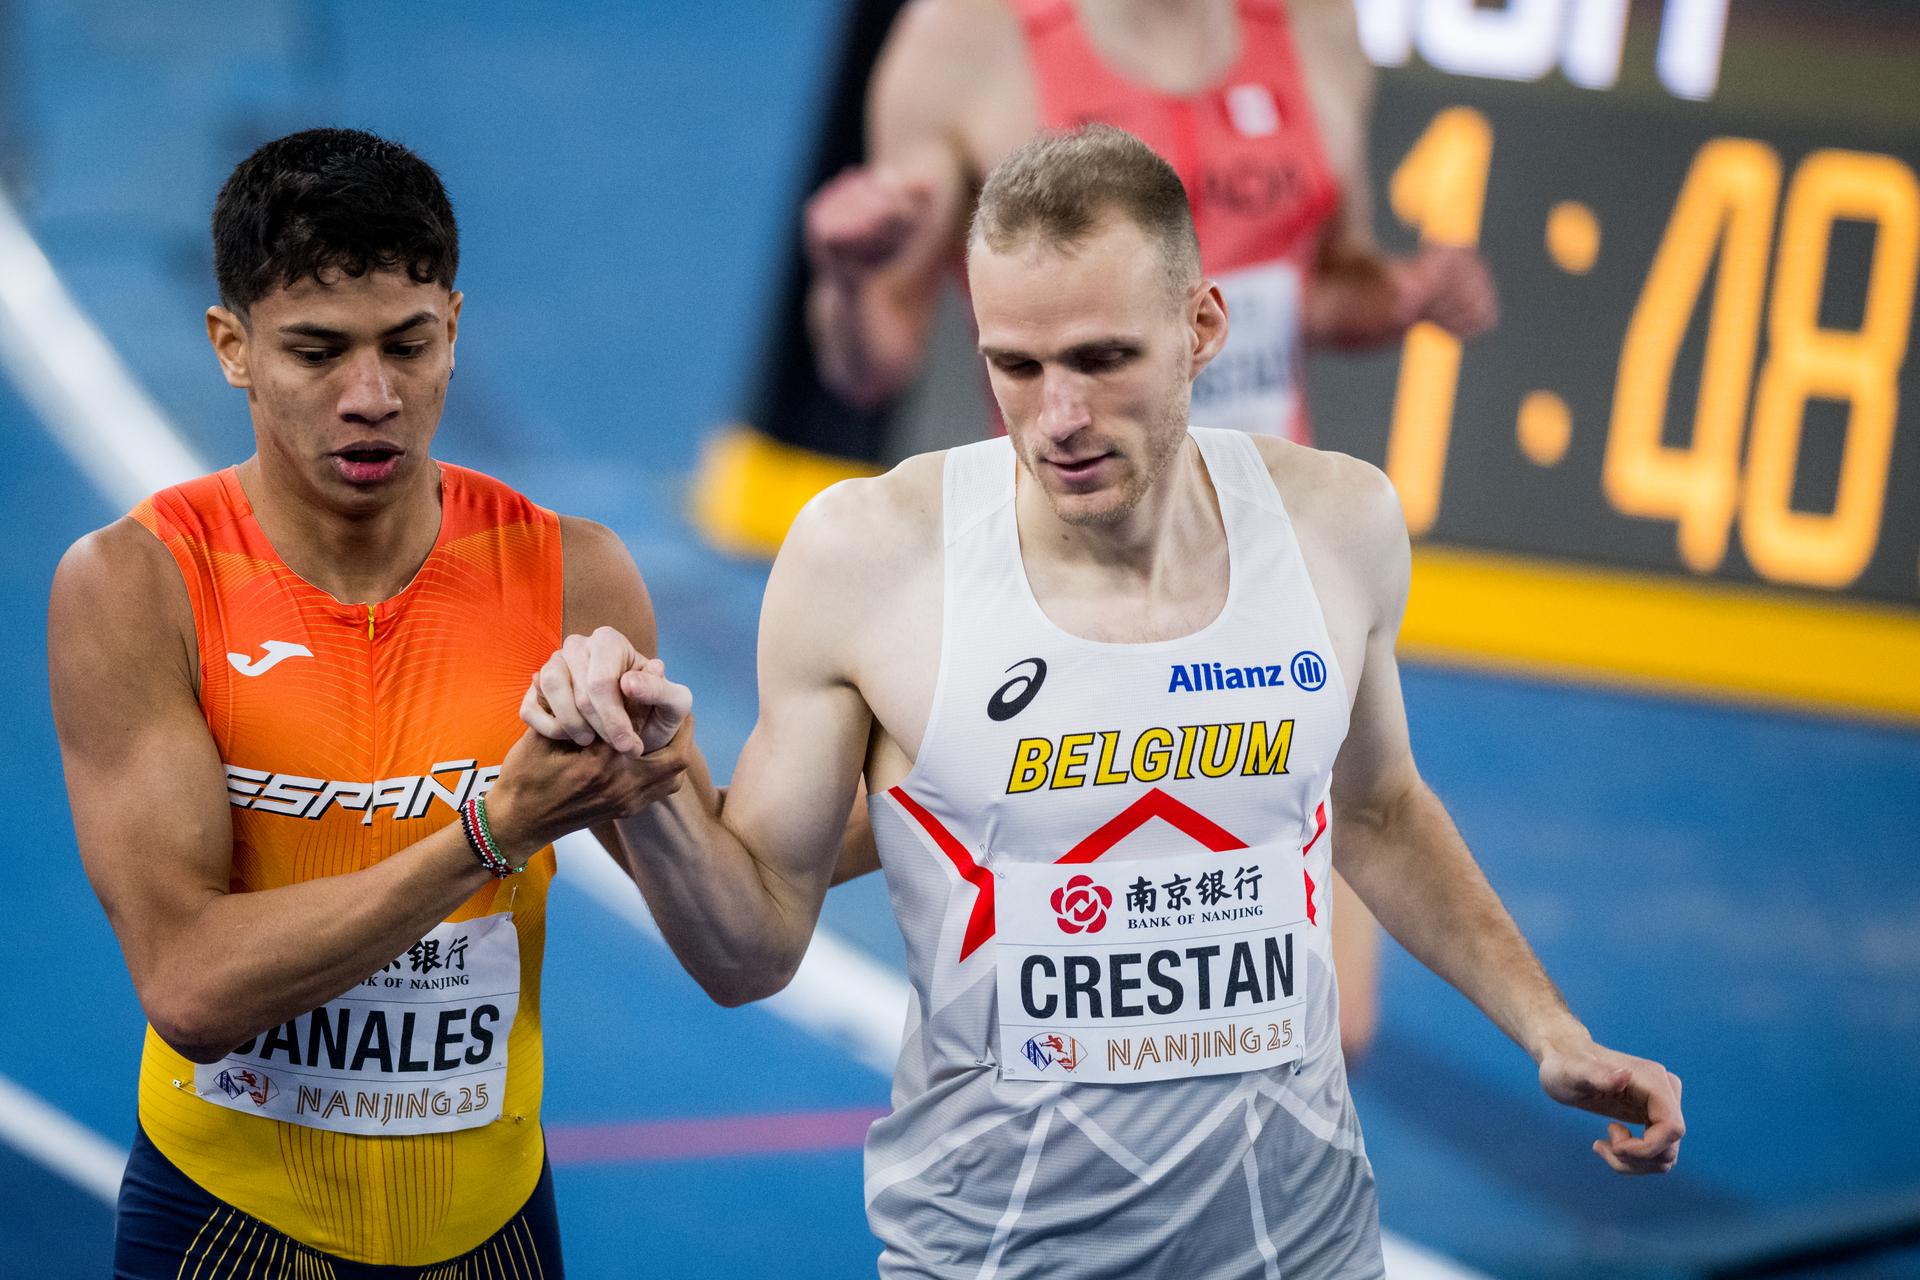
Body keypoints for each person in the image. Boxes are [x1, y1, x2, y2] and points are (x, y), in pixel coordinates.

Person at [533, 126, 1682, 1278]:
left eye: (1101, 358)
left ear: (1204, 328)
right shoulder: (869, 558)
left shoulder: (1338, 524)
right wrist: (646, 784)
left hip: (1307, 1249)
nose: (1059, 417)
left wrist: (1550, 1027)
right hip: (995, 1257)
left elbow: (1379, 811)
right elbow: (747, 951)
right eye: (1017, 366)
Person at [49, 128, 693, 1277]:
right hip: (227, 1229)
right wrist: (494, 830)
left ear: (456, 328)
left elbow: (728, 908)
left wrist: (924, 772)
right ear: (232, 347)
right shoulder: (140, 585)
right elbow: (192, 986)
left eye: (408, 344)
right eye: (317, 351)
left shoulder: (572, 576)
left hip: (492, 1230)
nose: (371, 397)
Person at [804, 0, 1500, 1057]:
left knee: (1330, 1020)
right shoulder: (962, 41)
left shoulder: (1314, 26)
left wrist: (1403, 294)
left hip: (1267, 566)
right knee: (1062, 1013)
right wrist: (853, 274)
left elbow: (1321, 283)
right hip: (1075, 579)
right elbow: (873, 359)